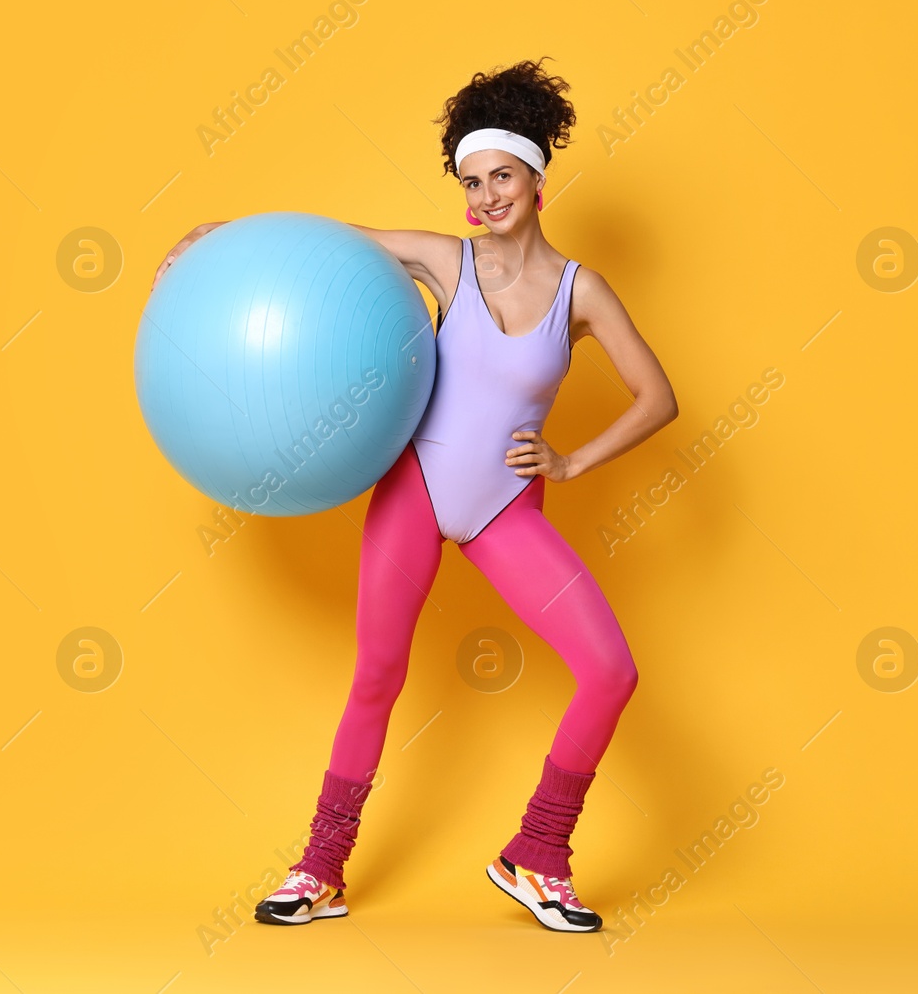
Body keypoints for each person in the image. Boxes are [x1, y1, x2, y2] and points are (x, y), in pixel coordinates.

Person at [151, 58, 678, 932]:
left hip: (506, 511)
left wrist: (573, 462)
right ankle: (319, 869)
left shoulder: (582, 292)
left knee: (611, 670)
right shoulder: (447, 260)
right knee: (378, 676)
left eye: (500, 176)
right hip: (415, 492)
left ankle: (539, 854)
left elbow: (657, 397)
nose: (485, 197)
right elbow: (324, 244)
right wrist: (225, 233)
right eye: (471, 182)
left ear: (537, 177)